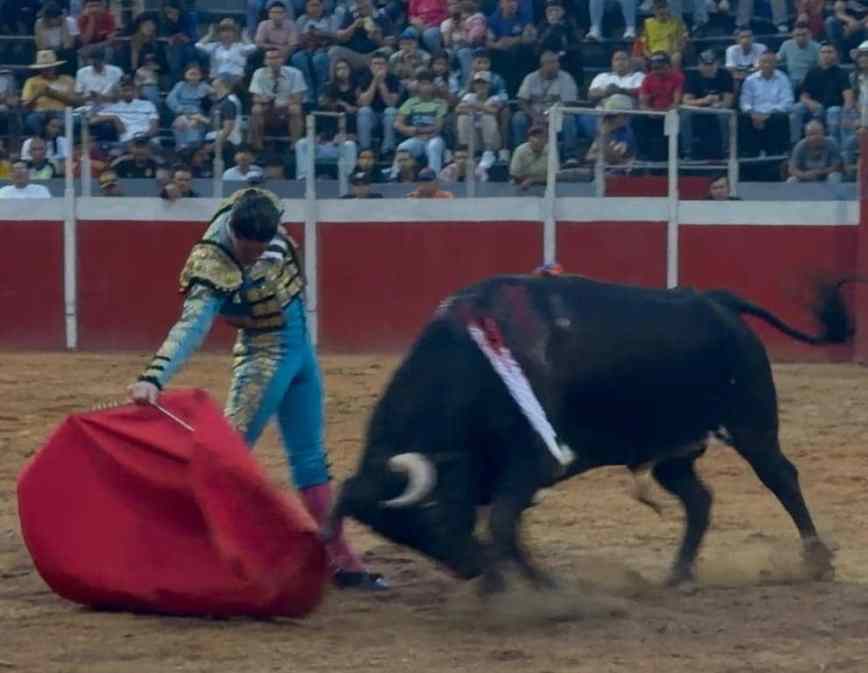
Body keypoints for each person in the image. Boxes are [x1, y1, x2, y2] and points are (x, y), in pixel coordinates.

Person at [128, 189, 386, 591]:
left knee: (311, 461)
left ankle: (345, 564)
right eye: (247, 249)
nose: (252, 256)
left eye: (260, 248)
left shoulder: (262, 205)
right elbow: (192, 326)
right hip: (263, 359)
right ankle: (179, 550)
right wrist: (155, 375)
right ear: (233, 232)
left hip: (301, 351)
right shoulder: (211, 261)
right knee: (224, 460)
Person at [249, 47, 308, 150]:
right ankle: (257, 146)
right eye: (270, 58)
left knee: (296, 109)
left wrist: (280, 104)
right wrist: (264, 100)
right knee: (256, 109)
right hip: (267, 108)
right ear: (265, 61)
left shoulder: (295, 73)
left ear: (282, 60)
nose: (273, 61)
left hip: (286, 108)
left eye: (276, 58)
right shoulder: (258, 73)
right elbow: (255, 98)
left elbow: (298, 98)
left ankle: (295, 145)